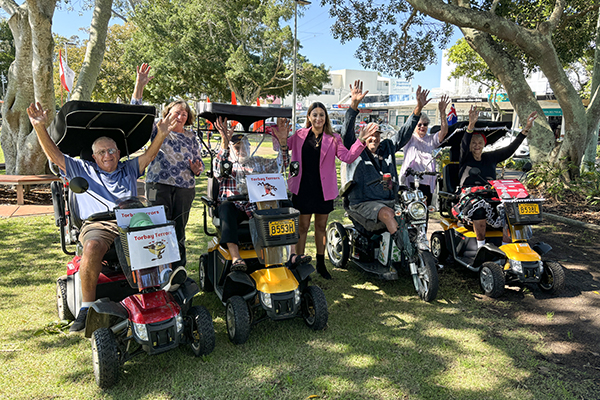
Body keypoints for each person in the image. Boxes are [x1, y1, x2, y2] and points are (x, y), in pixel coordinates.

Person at [26, 101, 173, 333]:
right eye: (102, 152)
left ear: (119, 153)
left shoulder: (129, 168)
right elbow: (55, 156)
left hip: (130, 220)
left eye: (112, 150)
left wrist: (162, 134)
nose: (108, 155)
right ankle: (86, 308)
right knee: (93, 246)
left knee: (157, 232)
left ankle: (162, 286)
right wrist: (39, 127)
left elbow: (149, 155)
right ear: (94, 156)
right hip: (98, 223)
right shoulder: (81, 169)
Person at [287, 102, 375, 279]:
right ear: (309, 117)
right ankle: (300, 263)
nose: (318, 118)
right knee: (302, 228)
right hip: (302, 188)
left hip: (322, 190)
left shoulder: (333, 138)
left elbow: (348, 157)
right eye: (315, 114)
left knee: (320, 227)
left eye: (322, 114)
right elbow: (282, 145)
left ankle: (321, 264)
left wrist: (361, 141)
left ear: (325, 117)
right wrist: (279, 135)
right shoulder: (299, 135)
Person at [131, 63, 204, 270]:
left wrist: (197, 169)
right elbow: (136, 112)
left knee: (178, 230)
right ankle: (159, 272)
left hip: (184, 188)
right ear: (167, 112)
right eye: (177, 112)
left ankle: (178, 271)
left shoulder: (191, 135)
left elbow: (197, 163)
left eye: (184, 114)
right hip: (158, 185)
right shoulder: (157, 127)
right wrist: (140, 85)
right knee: (158, 228)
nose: (180, 116)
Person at [341, 81, 431, 245]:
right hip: (363, 203)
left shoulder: (387, 147)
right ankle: (407, 252)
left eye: (377, 135)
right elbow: (346, 133)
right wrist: (354, 105)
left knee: (417, 210)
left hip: (389, 200)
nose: (373, 138)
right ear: (363, 135)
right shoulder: (356, 149)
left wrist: (417, 110)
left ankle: (420, 249)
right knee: (388, 214)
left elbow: (403, 134)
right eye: (370, 134)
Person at [453, 106, 538, 248]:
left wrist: (526, 129)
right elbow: (463, 144)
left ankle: (505, 246)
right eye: (473, 143)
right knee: (478, 209)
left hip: (491, 194)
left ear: (484, 144)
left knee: (510, 210)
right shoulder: (465, 158)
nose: (477, 145)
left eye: (480, 143)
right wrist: (471, 126)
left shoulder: (490, 157)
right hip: (470, 196)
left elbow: (510, 149)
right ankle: (481, 247)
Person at [214, 116, 290, 272]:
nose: (241, 149)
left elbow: (281, 166)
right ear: (230, 148)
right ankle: (236, 258)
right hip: (234, 205)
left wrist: (283, 143)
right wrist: (224, 142)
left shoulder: (257, 161)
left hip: (255, 207)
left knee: (287, 205)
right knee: (226, 207)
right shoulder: (226, 162)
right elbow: (217, 171)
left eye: (244, 145)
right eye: (237, 147)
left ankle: (290, 255)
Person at [399, 95, 451, 205]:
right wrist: (419, 107)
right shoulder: (409, 138)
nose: (422, 126)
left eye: (425, 124)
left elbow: (444, 132)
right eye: (419, 124)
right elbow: (407, 127)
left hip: (427, 182)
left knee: (424, 211)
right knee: (410, 210)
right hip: (410, 181)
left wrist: (442, 112)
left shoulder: (431, 139)